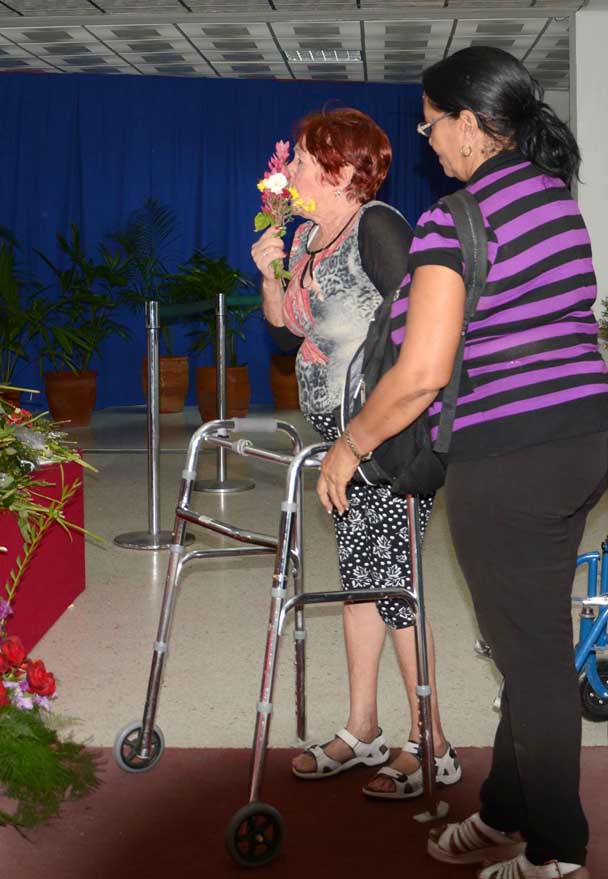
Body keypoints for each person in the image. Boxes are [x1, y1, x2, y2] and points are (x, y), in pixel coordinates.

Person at [317, 47, 607, 879]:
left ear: (473, 126)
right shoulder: (556, 200)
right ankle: (505, 812)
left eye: (431, 121)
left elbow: (420, 374)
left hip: (512, 457)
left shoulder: (455, 218)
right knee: (530, 640)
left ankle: (556, 854)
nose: (426, 135)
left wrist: (351, 444)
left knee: (534, 661)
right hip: (583, 441)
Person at [250, 107, 459, 799]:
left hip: (387, 442)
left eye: (304, 160)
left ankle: (433, 742)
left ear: (341, 170)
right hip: (341, 450)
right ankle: (363, 725)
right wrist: (271, 271)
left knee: (396, 587)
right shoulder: (310, 234)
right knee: (362, 585)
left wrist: (372, 429)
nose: (291, 171)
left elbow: (424, 331)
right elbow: (285, 329)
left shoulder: (380, 226)